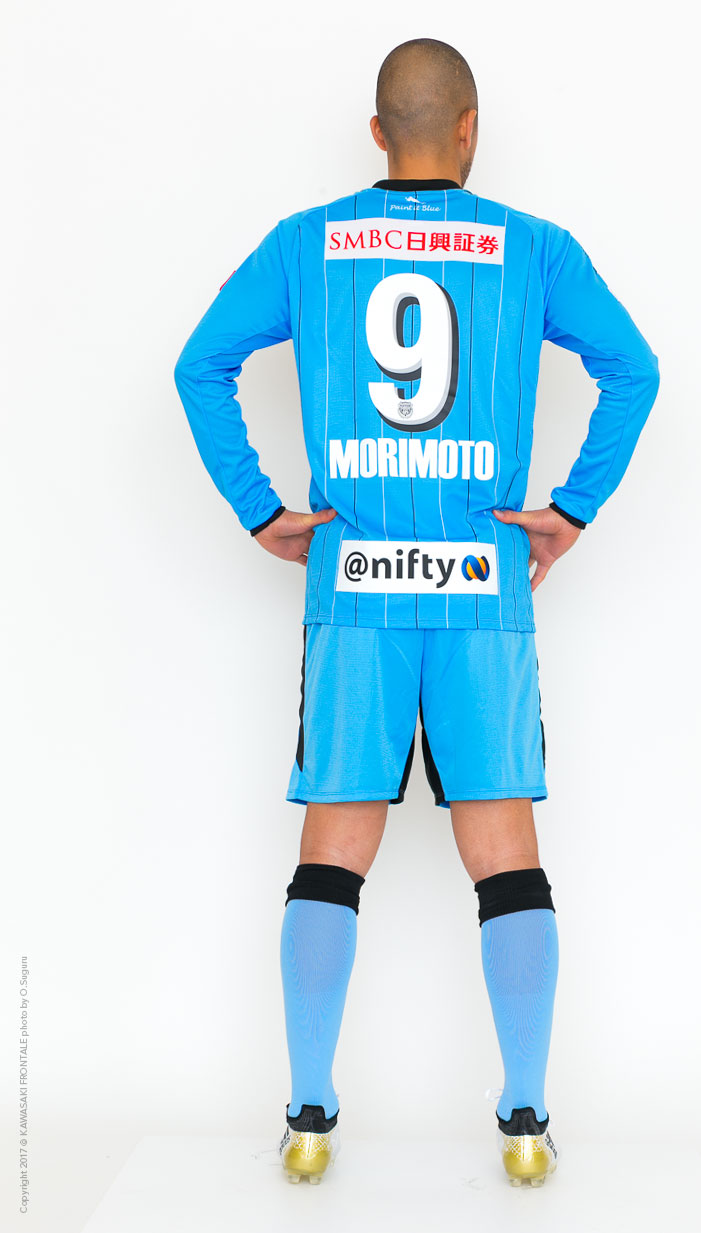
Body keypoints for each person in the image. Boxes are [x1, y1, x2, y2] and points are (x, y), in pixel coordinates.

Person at [173, 37, 660, 1188]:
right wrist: (570, 511)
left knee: (331, 856)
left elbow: (201, 365)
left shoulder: (308, 243)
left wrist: (260, 509)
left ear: (377, 133)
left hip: (353, 588)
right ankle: (527, 1119)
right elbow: (633, 370)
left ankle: (307, 1114)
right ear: (472, 129)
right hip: (482, 587)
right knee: (507, 858)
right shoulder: (533, 248)